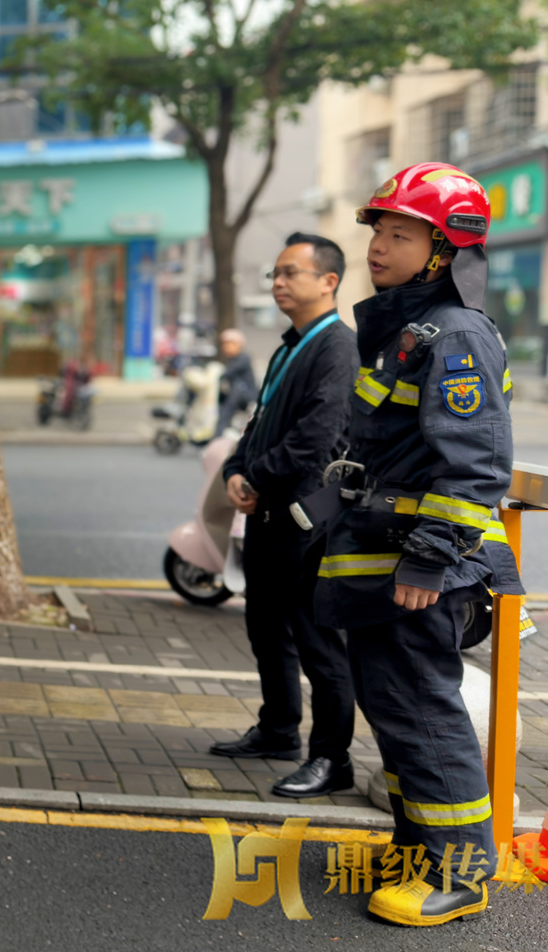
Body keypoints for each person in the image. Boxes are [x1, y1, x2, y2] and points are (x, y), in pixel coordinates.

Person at [314, 162, 523, 926]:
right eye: (378, 231)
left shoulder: (456, 335)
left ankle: (460, 872)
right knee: (396, 712)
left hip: (417, 567)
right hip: (382, 555)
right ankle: (419, 847)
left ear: (444, 251)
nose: (378, 247)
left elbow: (474, 464)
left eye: (401, 234)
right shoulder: (407, 328)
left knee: (425, 715)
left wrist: (431, 559)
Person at [211, 233, 359, 801]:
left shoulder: (337, 348)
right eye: (275, 273)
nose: (277, 283)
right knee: (265, 628)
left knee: (320, 645)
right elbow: (258, 422)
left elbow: (318, 439)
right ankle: (277, 731)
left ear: (328, 281)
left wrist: (258, 476)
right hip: (268, 513)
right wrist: (235, 468)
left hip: (306, 521)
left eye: (290, 272)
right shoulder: (289, 345)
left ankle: (331, 758)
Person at [214, 328, 257, 436]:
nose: (226, 347)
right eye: (224, 344)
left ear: (239, 344)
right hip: (236, 395)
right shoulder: (232, 360)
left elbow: (227, 374)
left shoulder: (243, 358)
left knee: (226, 410)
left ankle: (218, 436)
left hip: (246, 396)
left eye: (230, 344)